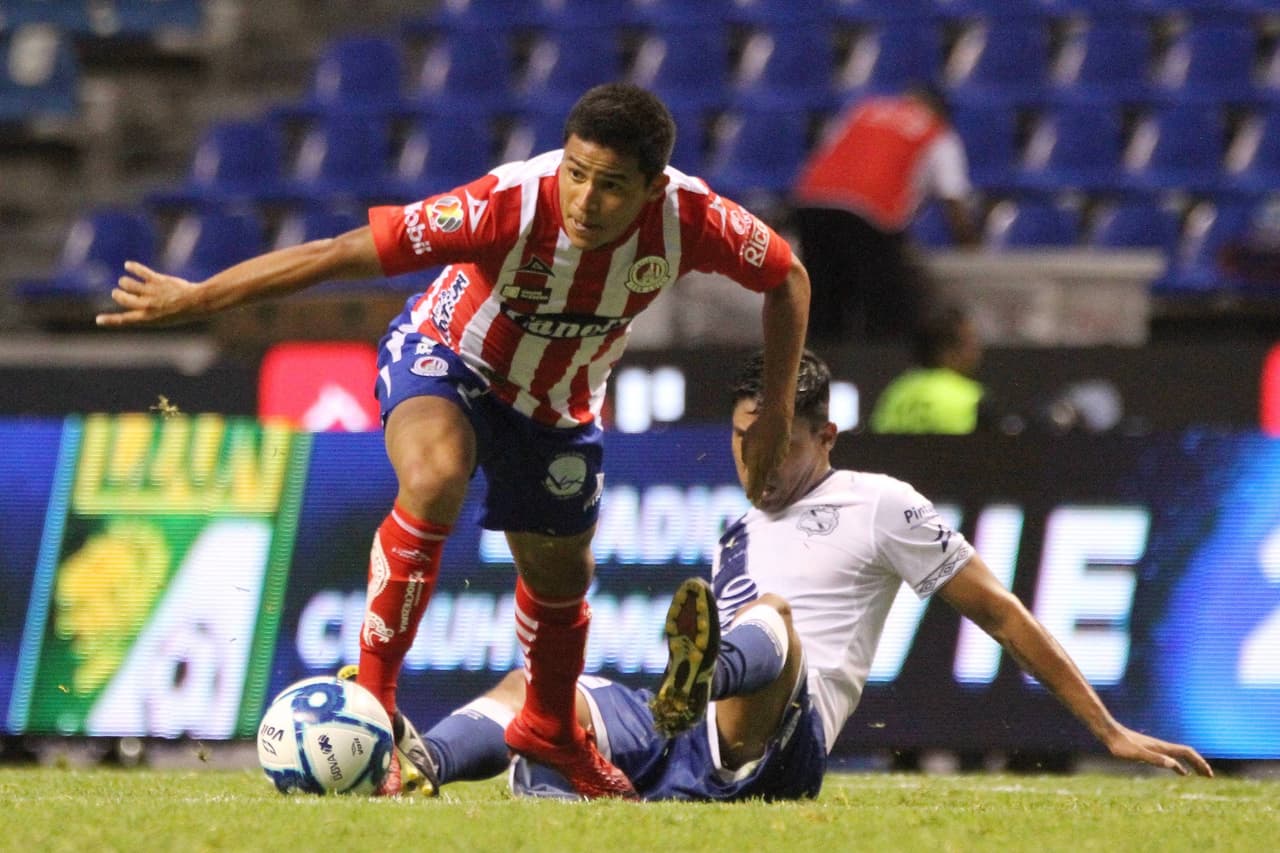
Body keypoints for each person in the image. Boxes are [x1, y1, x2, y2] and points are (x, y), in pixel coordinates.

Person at [94, 83, 811, 799]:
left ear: (654, 188)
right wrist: (197, 296)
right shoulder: (506, 204)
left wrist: (777, 409)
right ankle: (375, 709)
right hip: (447, 357)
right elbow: (339, 252)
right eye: (577, 173)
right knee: (435, 477)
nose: (586, 200)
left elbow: (789, 279)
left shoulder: (694, 219)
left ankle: (551, 729)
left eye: (612, 186)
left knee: (562, 572)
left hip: (556, 403)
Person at [392, 350, 1212, 801]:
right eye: (744, 437)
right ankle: (417, 765)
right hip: (692, 730)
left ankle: (695, 679)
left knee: (774, 616)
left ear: (826, 436)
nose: (756, 457)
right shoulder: (740, 529)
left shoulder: (880, 502)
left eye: (778, 441)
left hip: (782, 744)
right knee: (535, 689)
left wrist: (1108, 729)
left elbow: (999, 611)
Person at [792, 85, 979, 345]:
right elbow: (953, 200)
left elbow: (822, 155)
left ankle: (819, 364)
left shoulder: (861, 113)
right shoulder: (936, 131)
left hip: (811, 204)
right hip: (870, 213)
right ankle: (880, 361)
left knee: (824, 306)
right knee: (886, 308)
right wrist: (972, 250)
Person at [868, 301, 996, 434]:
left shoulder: (895, 393)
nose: (977, 351)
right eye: (970, 343)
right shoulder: (972, 397)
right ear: (945, 352)